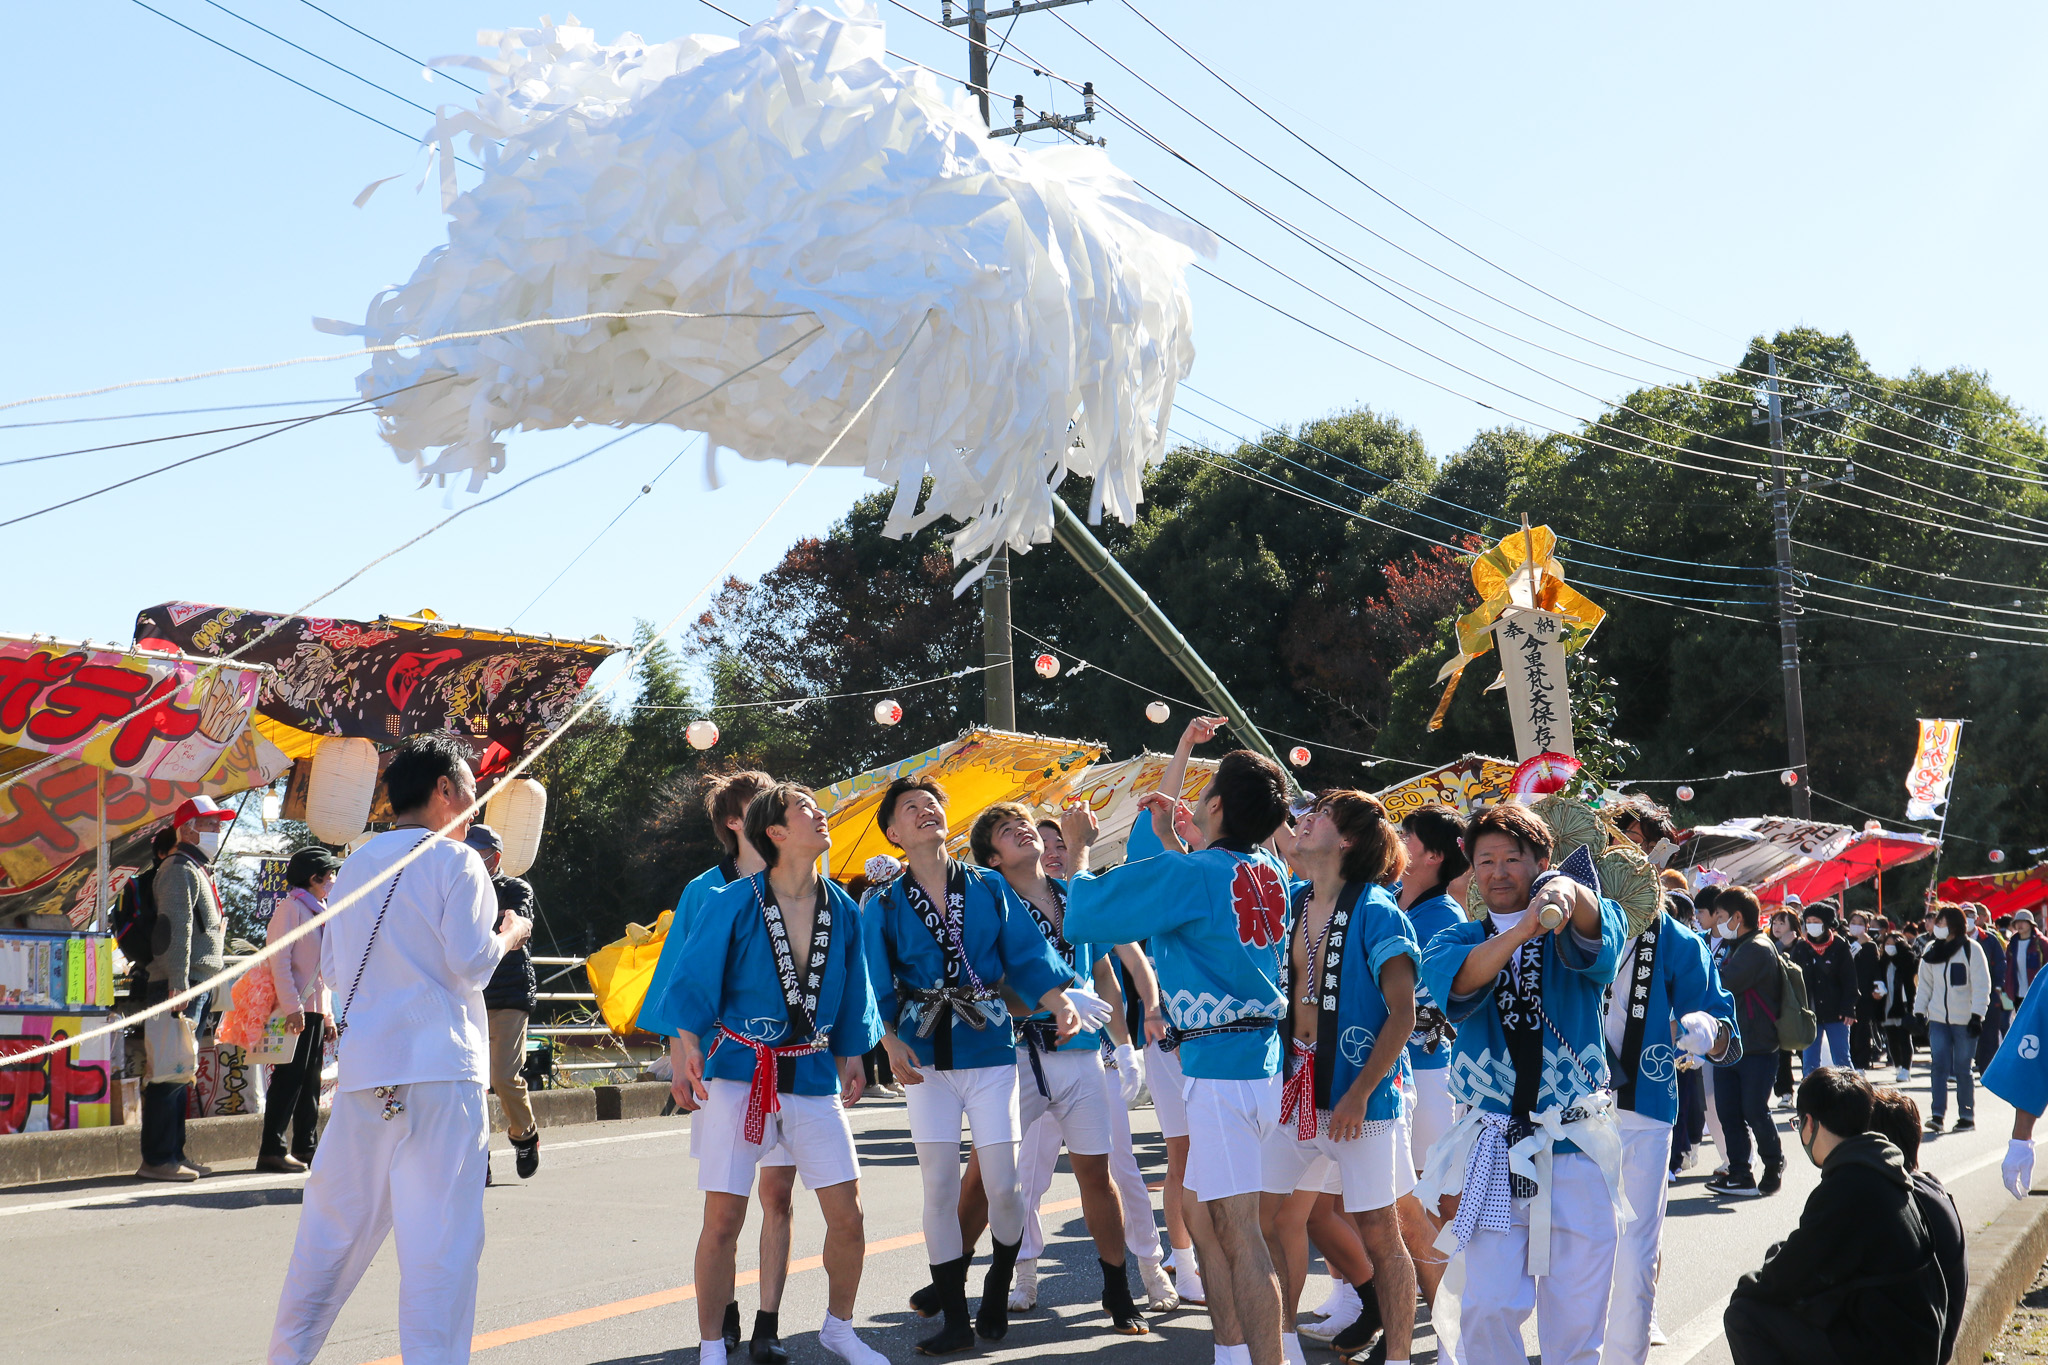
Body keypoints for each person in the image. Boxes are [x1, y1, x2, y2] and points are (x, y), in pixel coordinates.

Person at [268, 735, 532, 1365]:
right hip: (441, 1070)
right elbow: (470, 964)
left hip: (367, 1073)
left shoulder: (357, 862)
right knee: (439, 1248)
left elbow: (332, 970)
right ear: (445, 789)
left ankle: (286, 1357)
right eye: (470, 786)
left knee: (329, 1237)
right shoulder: (458, 860)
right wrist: (511, 932)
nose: (475, 800)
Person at [1065, 736, 1297, 1365]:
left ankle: (1265, 1360)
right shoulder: (1270, 870)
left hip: (1220, 1072)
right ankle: (1231, 1352)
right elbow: (1178, 875)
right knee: (1218, 1222)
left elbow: (1086, 913)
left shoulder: (1195, 873)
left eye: (1205, 790)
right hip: (1262, 1063)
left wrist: (1080, 850)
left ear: (1218, 806)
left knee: (1239, 1232)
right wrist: (1170, 832)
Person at [668, 783, 890, 1365]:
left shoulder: (843, 907)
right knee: (723, 1219)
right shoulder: (732, 901)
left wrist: (854, 1056)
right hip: (741, 1073)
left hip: (812, 1076)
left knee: (848, 1214)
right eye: (807, 810)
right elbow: (691, 982)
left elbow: (853, 993)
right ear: (776, 832)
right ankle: (712, 1345)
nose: (823, 815)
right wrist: (689, 1044)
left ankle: (838, 1328)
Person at [864, 776, 1086, 1355]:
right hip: (923, 1053)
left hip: (989, 1048)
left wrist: (1057, 996)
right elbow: (870, 981)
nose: (924, 812)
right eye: (909, 809)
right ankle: (956, 1318)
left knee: (1004, 1185)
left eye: (931, 804)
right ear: (893, 833)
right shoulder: (883, 903)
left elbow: (1025, 953)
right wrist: (886, 1039)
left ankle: (997, 1280)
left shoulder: (987, 885)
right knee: (938, 1185)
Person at [1413, 801, 1628, 1365]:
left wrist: (1565, 892)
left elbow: (1596, 933)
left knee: (1577, 1319)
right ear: (1470, 868)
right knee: (1486, 1304)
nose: (1499, 871)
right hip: (1493, 1147)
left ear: (1541, 861)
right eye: (1486, 860)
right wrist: (1525, 927)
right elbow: (1458, 986)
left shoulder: (1581, 917)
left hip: (1577, 1141)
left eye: (1514, 858)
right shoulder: (1451, 939)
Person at [959, 801, 1149, 1336]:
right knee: (991, 1178)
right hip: (1016, 1054)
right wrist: (1054, 1003)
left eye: (1023, 822)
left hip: (1083, 1056)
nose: (1022, 828)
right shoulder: (991, 901)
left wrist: (1124, 1042)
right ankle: (964, 1287)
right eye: (1004, 829)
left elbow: (1104, 971)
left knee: (1097, 1174)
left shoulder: (1073, 895)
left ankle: (1118, 1290)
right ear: (992, 858)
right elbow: (994, 988)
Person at [641, 770, 798, 1361]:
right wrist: (681, 1059)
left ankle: (769, 1323)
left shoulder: (805, 883)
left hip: (791, 1065)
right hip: (724, 1066)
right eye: (762, 803)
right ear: (736, 822)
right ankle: (723, 1314)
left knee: (779, 1194)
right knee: (726, 1204)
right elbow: (677, 987)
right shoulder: (705, 891)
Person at [1258, 791, 1419, 1365]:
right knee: (1270, 1220)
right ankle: (1281, 1345)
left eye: (1320, 815)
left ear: (1347, 840)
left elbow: (1404, 1012)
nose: (1305, 819)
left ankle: (1399, 1355)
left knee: (1381, 1230)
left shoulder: (1377, 910)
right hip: (1294, 1088)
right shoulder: (1295, 901)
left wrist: (1358, 1093)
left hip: (1361, 1098)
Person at [1722, 1067, 1943, 1365]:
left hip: (1889, 1349)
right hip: (1912, 1340)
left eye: (1798, 1123)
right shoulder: (1882, 1168)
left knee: (1744, 1313)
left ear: (1810, 1123)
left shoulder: (1849, 1185)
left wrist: (1748, 1284)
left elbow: (1782, 1279)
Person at [1602, 885, 1739, 1362]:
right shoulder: (1555, 917)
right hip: (1561, 1104)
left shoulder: (1678, 939)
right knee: (1569, 1243)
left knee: (1636, 1239)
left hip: (1643, 1105)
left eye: (1638, 848)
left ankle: (1628, 1345)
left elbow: (1721, 1021)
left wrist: (1708, 1030)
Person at [1386, 803, 1465, 1319]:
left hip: (1434, 1071)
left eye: (1405, 835)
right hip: (1398, 1068)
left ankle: (1458, 1308)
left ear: (1433, 855)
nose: (1395, 838)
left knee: (1435, 1194)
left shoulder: (1445, 917)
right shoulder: (1391, 900)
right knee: (1403, 1196)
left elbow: (1425, 999)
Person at [137, 795, 235, 1183]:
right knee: (168, 1070)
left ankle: (172, 1153)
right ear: (188, 827)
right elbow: (175, 931)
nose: (217, 829)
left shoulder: (194, 867)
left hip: (192, 983)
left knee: (181, 1071)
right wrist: (179, 984)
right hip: (179, 984)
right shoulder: (180, 868)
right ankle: (159, 1157)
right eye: (210, 823)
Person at [464, 823, 543, 1183]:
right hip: (467, 994)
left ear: (494, 856)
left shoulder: (514, 888)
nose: (469, 856)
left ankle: (524, 1135)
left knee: (503, 1075)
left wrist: (511, 927)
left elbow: (520, 920)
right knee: (470, 1080)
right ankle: (479, 1157)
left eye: (476, 850)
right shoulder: (456, 885)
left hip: (509, 994)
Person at [258, 846, 342, 1174]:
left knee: (310, 1081)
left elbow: (321, 971)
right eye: (330, 874)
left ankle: (307, 1147)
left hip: (315, 1010)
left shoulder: (317, 909)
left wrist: (329, 1016)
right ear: (314, 878)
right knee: (289, 1079)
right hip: (297, 1010)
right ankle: (272, 1148)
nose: (333, 879)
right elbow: (279, 960)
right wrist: (293, 1008)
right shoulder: (291, 909)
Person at [1869, 1087, 1967, 1365]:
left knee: (1750, 1314)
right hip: (1931, 1342)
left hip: (1917, 1350)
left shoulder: (1902, 1201)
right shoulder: (1929, 1186)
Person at [1706, 888, 1789, 1198]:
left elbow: (1722, 984)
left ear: (1737, 917)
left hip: (1757, 1046)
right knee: (1729, 1112)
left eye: (1720, 917)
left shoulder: (1756, 948)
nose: (1716, 923)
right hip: (1731, 1043)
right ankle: (1740, 1173)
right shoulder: (1739, 945)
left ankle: (1773, 1162)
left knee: (1754, 1111)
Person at [1914, 903, 1990, 1133]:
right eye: (1937, 923)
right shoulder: (1930, 950)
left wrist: (1978, 1016)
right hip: (1938, 1020)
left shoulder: (1972, 950)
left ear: (1955, 926)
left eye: (1942, 923)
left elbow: (1981, 985)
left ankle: (1966, 1116)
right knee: (1938, 1066)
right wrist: (1919, 1012)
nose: (1937, 927)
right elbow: (1925, 986)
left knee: (1962, 1068)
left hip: (1965, 1020)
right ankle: (1937, 1115)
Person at [1790, 901, 1857, 1077]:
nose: (1811, 925)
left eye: (1816, 921)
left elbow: (1850, 980)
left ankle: (1851, 1098)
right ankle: (1809, 1100)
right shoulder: (1801, 948)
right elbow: (1793, 981)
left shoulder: (1840, 946)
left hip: (1837, 1012)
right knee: (1810, 1062)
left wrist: (1849, 1007)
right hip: (1809, 1014)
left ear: (1826, 923)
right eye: (1808, 921)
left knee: (1842, 1060)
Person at [113, 826, 180, 988]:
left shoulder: (184, 878)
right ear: (162, 853)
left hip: (147, 971)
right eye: (178, 850)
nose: (185, 857)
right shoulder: (162, 883)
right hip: (165, 976)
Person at [1878, 928, 1920, 1081]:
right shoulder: (1883, 962)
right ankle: (1897, 1065)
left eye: (1893, 943)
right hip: (1887, 1004)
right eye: (1887, 943)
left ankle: (1906, 1068)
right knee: (1891, 1038)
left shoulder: (1908, 961)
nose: (1889, 946)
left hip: (1903, 1004)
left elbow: (1912, 983)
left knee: (1904, 1037)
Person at [1974, 904, 2010, 1074]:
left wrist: (1998, 986)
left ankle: (1989, 1069)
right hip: (1965, 995)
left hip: (1994, 993)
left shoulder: (1991, 938)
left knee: (1993, 1031)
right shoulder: (1954, 938)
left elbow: (2001, 963)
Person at [1848, 911, 1882, 1070]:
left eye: (1860, 923)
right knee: (1849, 1030)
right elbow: (1845, 960)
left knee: (1863, 1028)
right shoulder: (1844, 942)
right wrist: (1857, 944)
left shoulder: (1871, 945)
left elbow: (1876, 968)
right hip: (1847, 992)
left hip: (1865, 993)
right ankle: (1848, 1062)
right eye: (1853, 922)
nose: (1856, 925)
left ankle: (1862, 1063)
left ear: (1867, 927)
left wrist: (1879, 987)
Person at [2006, 911, 2043, 1016]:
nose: (2020, 925)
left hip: (2037, 994)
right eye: (2017, 922)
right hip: (2018, 995)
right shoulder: (2011, 945)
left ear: (2030, 924)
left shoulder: (2041, 943)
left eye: (2023, 921)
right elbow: (2007, 968)